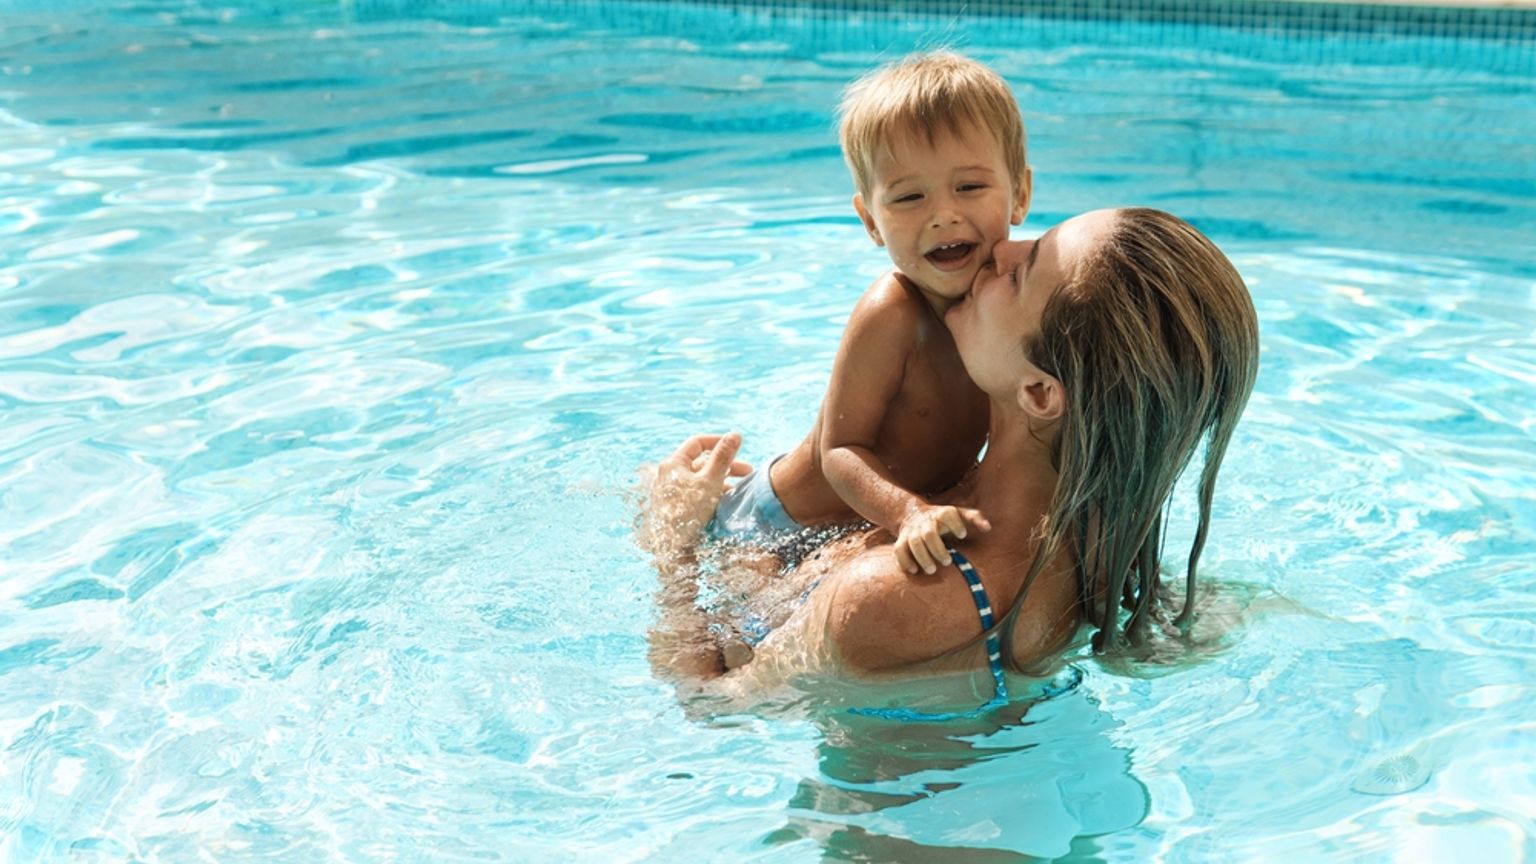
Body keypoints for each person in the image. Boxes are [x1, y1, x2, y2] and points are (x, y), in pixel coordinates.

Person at [641, 208, 1260, 707]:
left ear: (1040, 393)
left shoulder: (902, 597)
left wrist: (673, 541)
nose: (1001, 251)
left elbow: (709, 703)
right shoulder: (1099, 545)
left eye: (1022, 273)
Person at [713, 51, 1032, 579]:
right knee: (728, 653)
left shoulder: (1018, 304)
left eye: (970, 187)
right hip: (775, 525)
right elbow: (840, 451)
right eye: (909, 197)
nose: (943, 215)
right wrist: (908, 513)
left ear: (1019, 194)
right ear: (871, 221)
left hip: (865, 527)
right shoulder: (894, 313)